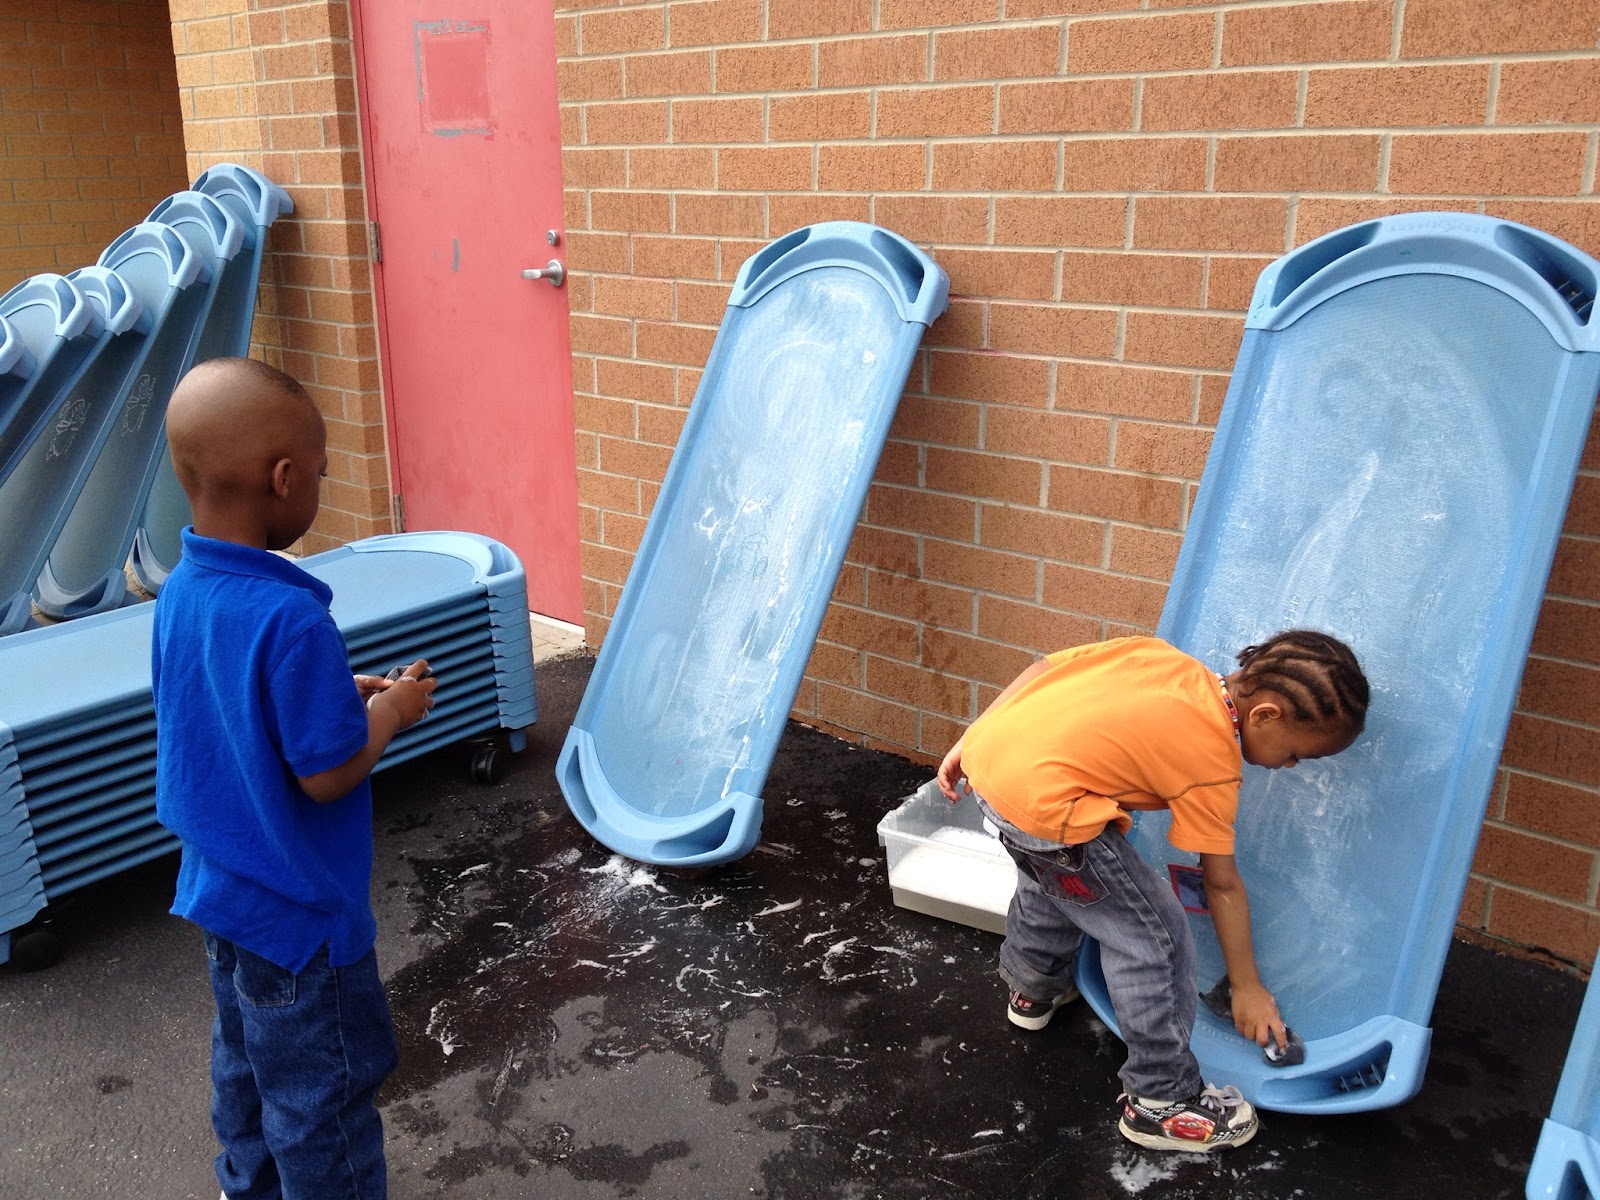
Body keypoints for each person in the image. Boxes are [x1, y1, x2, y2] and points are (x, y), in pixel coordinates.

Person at [152, 357, 437, 1200]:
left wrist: (332, 697)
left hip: (219, 892)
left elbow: (223, 704)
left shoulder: (182, 591)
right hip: (302, 921)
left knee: (243, 1065)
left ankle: (246, 1186)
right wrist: (390, 713)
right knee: (325, 1095)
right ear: (282, 480)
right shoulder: (291, 617)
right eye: (318, 472)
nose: (318, 483)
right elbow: (326, 776)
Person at [936, 631, 1369, 1152]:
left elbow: (1044, 666)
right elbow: (1222, 882)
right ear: (1266, 716)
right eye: (1298, 754)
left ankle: (1033, 988)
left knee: (1053, 881)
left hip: (995, 769)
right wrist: (1247, 986)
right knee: (1154, 939)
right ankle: (1162, 1101)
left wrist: (974, 736)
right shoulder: (1211, 760)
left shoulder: (1158, 656)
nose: (1292, 766)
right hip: (1050, 811)